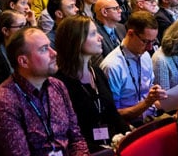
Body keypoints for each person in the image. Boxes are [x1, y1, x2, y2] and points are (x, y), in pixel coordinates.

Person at [0, 27, 89, 155]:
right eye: (44, 49)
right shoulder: (3, 102)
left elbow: (76, 138)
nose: (54, 53)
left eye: (50, 46)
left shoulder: (57, 86)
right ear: (24, 61)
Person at [54, 16, 130, 152]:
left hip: (111, 144)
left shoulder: (97, 72)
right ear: (76, 40)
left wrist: (128, 136)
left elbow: (113, 113)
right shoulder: (59, 83)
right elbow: (69, 134)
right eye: (93, 34)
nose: (100, 37)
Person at [100, 11, 167, 127]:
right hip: (129, 125)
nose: (150, 47)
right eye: (145, 41)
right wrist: (147, 103)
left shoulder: (145, 55)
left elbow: (148, 87)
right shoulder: (112, 66)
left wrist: (155, 93)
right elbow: (113, 114)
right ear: (130, 34)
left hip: (152, 116)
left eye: (153, 42)